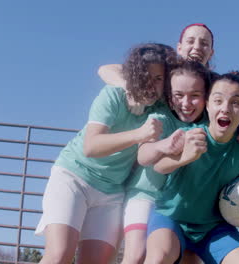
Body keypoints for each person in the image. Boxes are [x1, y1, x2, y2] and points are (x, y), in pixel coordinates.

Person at [35, 43, 176, 264]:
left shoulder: (159, 109)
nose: (152, 84)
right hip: (74, 177)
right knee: (59, 254)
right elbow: (91, 147)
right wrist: (138, 134)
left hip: (111, 192)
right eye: (146, 76)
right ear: (135, 75)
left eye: (159, 79)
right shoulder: (113, 94)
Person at [144, 72, 239, 264]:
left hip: (214, 229)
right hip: (172, 218)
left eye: (235, 102)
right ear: (207, 105)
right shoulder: (191, 135)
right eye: (218, 100)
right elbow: (159, 166)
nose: (225, 108)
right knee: (158, 259)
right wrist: (184, 157)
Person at [98, 23, 239, 150]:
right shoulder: (163, 72)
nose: (197, 47)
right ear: (179, 47)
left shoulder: (215, 83)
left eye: (204, 43)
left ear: (211, 52)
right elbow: (106, 69)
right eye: (191, 41)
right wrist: (132, 90)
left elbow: (234, 103)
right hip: (149, 146)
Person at [121, 59, 211, 264]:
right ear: (169, 97)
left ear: (206, 97)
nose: (186, 104)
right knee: (136, 255)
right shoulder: (161, 116)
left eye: (195, 96)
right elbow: (143, 156)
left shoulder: (208, 124)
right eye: (178, 95)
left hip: (180, 204)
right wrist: (164, 145)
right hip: (146, 195)